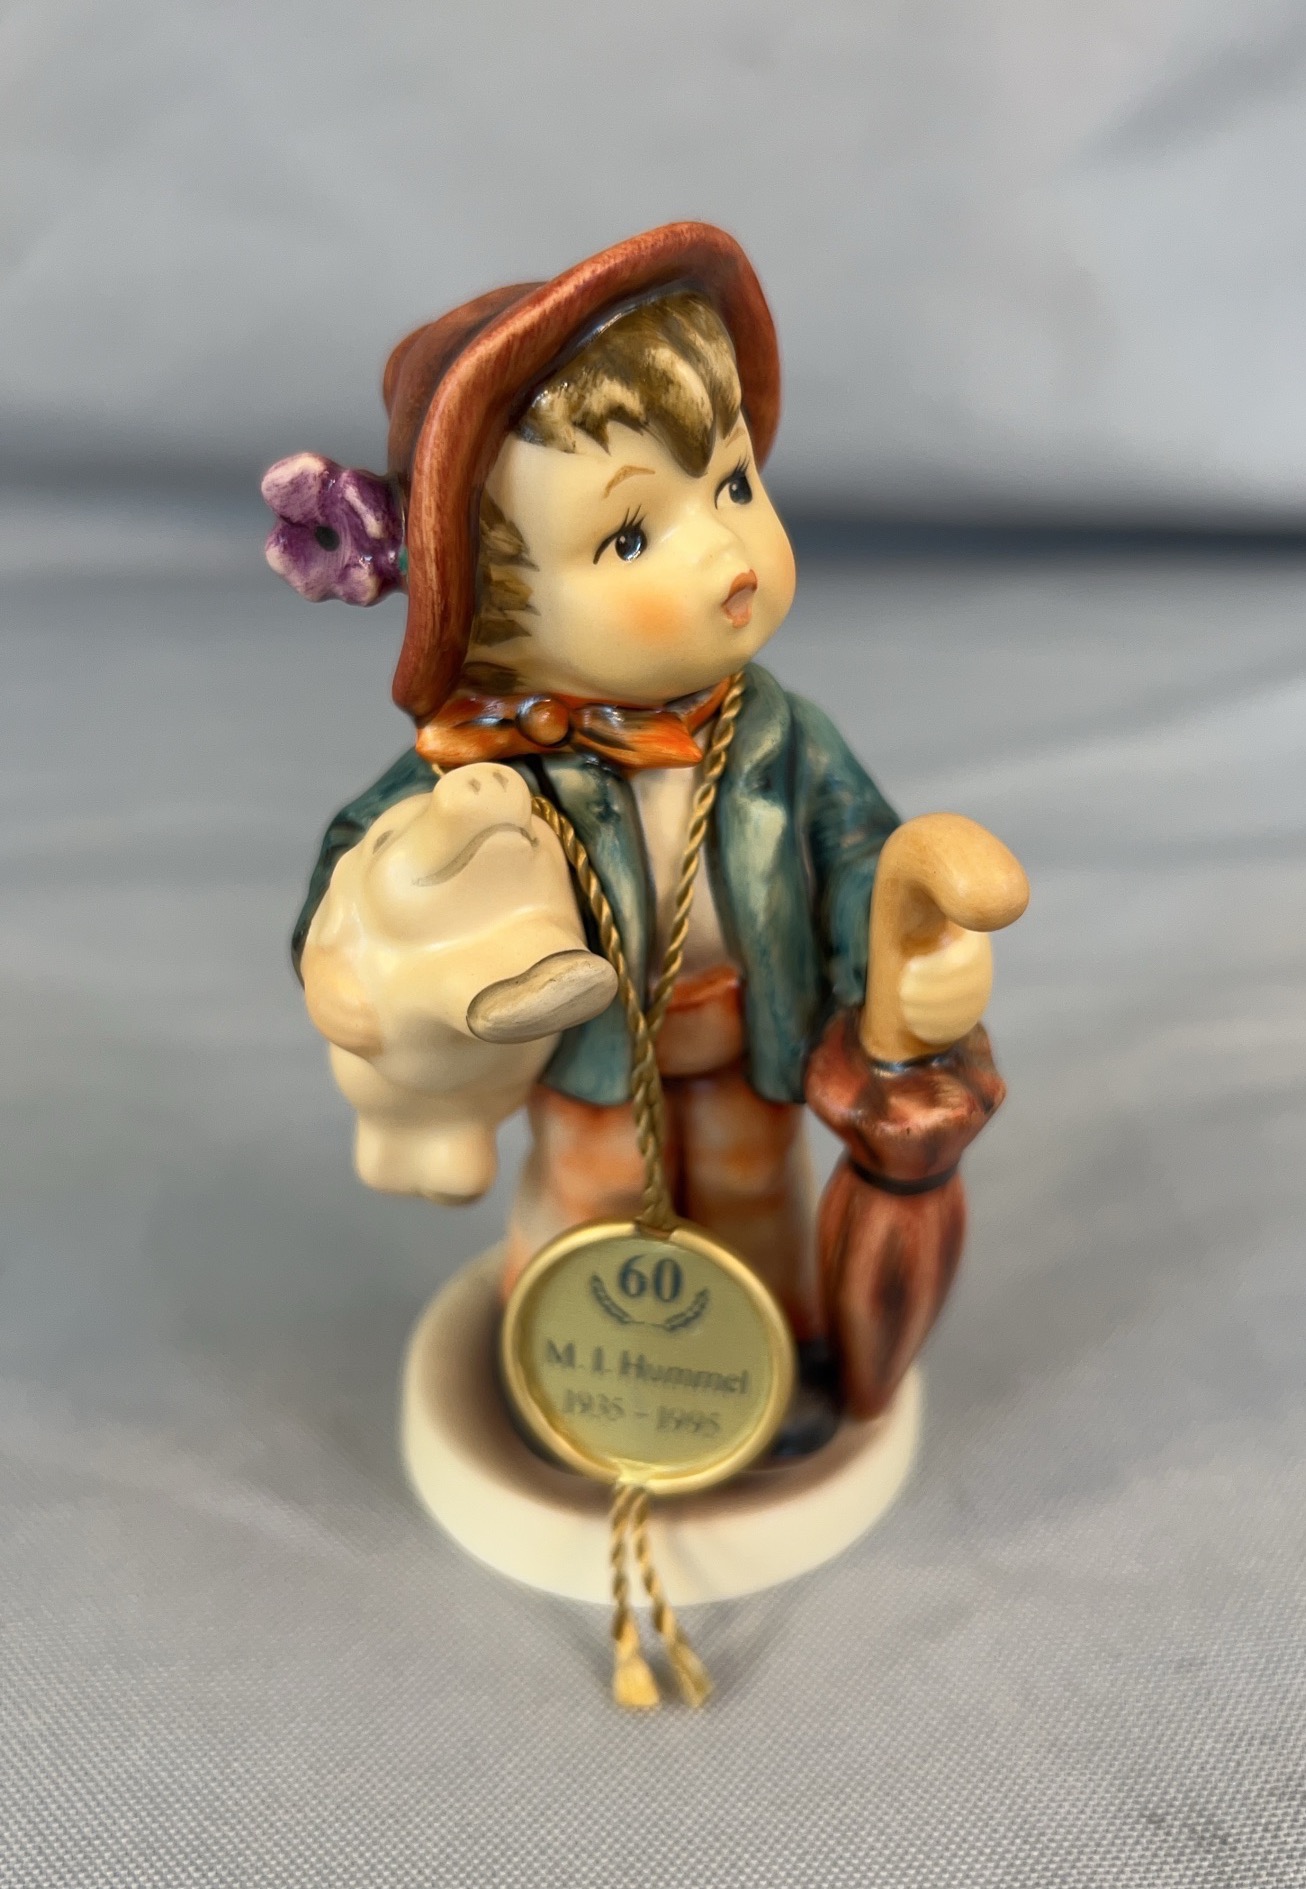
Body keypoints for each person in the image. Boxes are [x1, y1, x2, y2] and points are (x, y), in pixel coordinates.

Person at [273, 223, 1004, 1422]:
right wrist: (350, 960)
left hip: (748, 1041)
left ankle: (759, 1379)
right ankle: (584, 1395)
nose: (728, 548)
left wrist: (896, 959)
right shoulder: (486, 768)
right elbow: (357, 875)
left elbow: (856, 854)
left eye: (733, 484)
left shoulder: (775, 736)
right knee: (590, 1211)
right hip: (594, 1065)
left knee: (754, 1199)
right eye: (628, 535)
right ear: (490, 617)